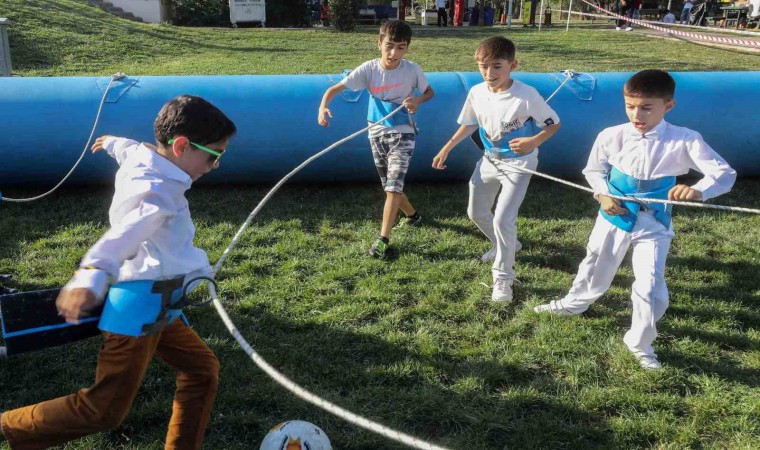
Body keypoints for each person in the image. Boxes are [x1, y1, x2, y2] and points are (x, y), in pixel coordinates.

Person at [0, 95, 237, 449]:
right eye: (213, 155)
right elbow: (125, 234)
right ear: (182, 146)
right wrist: (91, 274)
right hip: (139, 309)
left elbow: (129, 148)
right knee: (103, 411)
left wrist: (111, 141)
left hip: (164, 306)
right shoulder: (156, 191)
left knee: (202, 370)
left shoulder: (147, 156)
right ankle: (6, 427)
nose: (215, 165)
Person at [533, 70, 736, 370]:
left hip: (653, 224)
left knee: (651, 286)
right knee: (595, 264)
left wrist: (696, 190)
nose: (636, 114)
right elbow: (593, 171)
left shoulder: (684, 139)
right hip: (613, 216)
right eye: (630, 106)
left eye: (646, 107)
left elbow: (724, 173)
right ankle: (574, 303)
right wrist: (602, 194)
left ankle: (640, 342)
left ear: (669, 106)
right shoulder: (611, 135)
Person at [432, 36, 561, 302]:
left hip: (519, 164)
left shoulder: (527, 95)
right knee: (476, 212)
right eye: (483, 66)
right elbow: (469, 123)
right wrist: (446, 147)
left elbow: (553, 124)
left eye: (497, 67)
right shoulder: (476, 92)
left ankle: (503, 278)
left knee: (504, 218)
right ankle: (508, 244)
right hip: (490, 160)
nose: (489, 73)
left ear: (512, 65)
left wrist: (532, 141)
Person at [318, 20, 435, 260]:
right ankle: (414, 217)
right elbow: (334, 90)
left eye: (401, 47)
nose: (394, 53)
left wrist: (417, 101)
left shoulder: (413, 70)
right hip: (376, 132)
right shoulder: (369, 69)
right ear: (379, 43)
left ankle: (383, 240)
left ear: (407, 48)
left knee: (393, 186)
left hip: (403, 131)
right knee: (390, 187)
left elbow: (429, 92)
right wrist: (322, 108)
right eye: (389, 46)